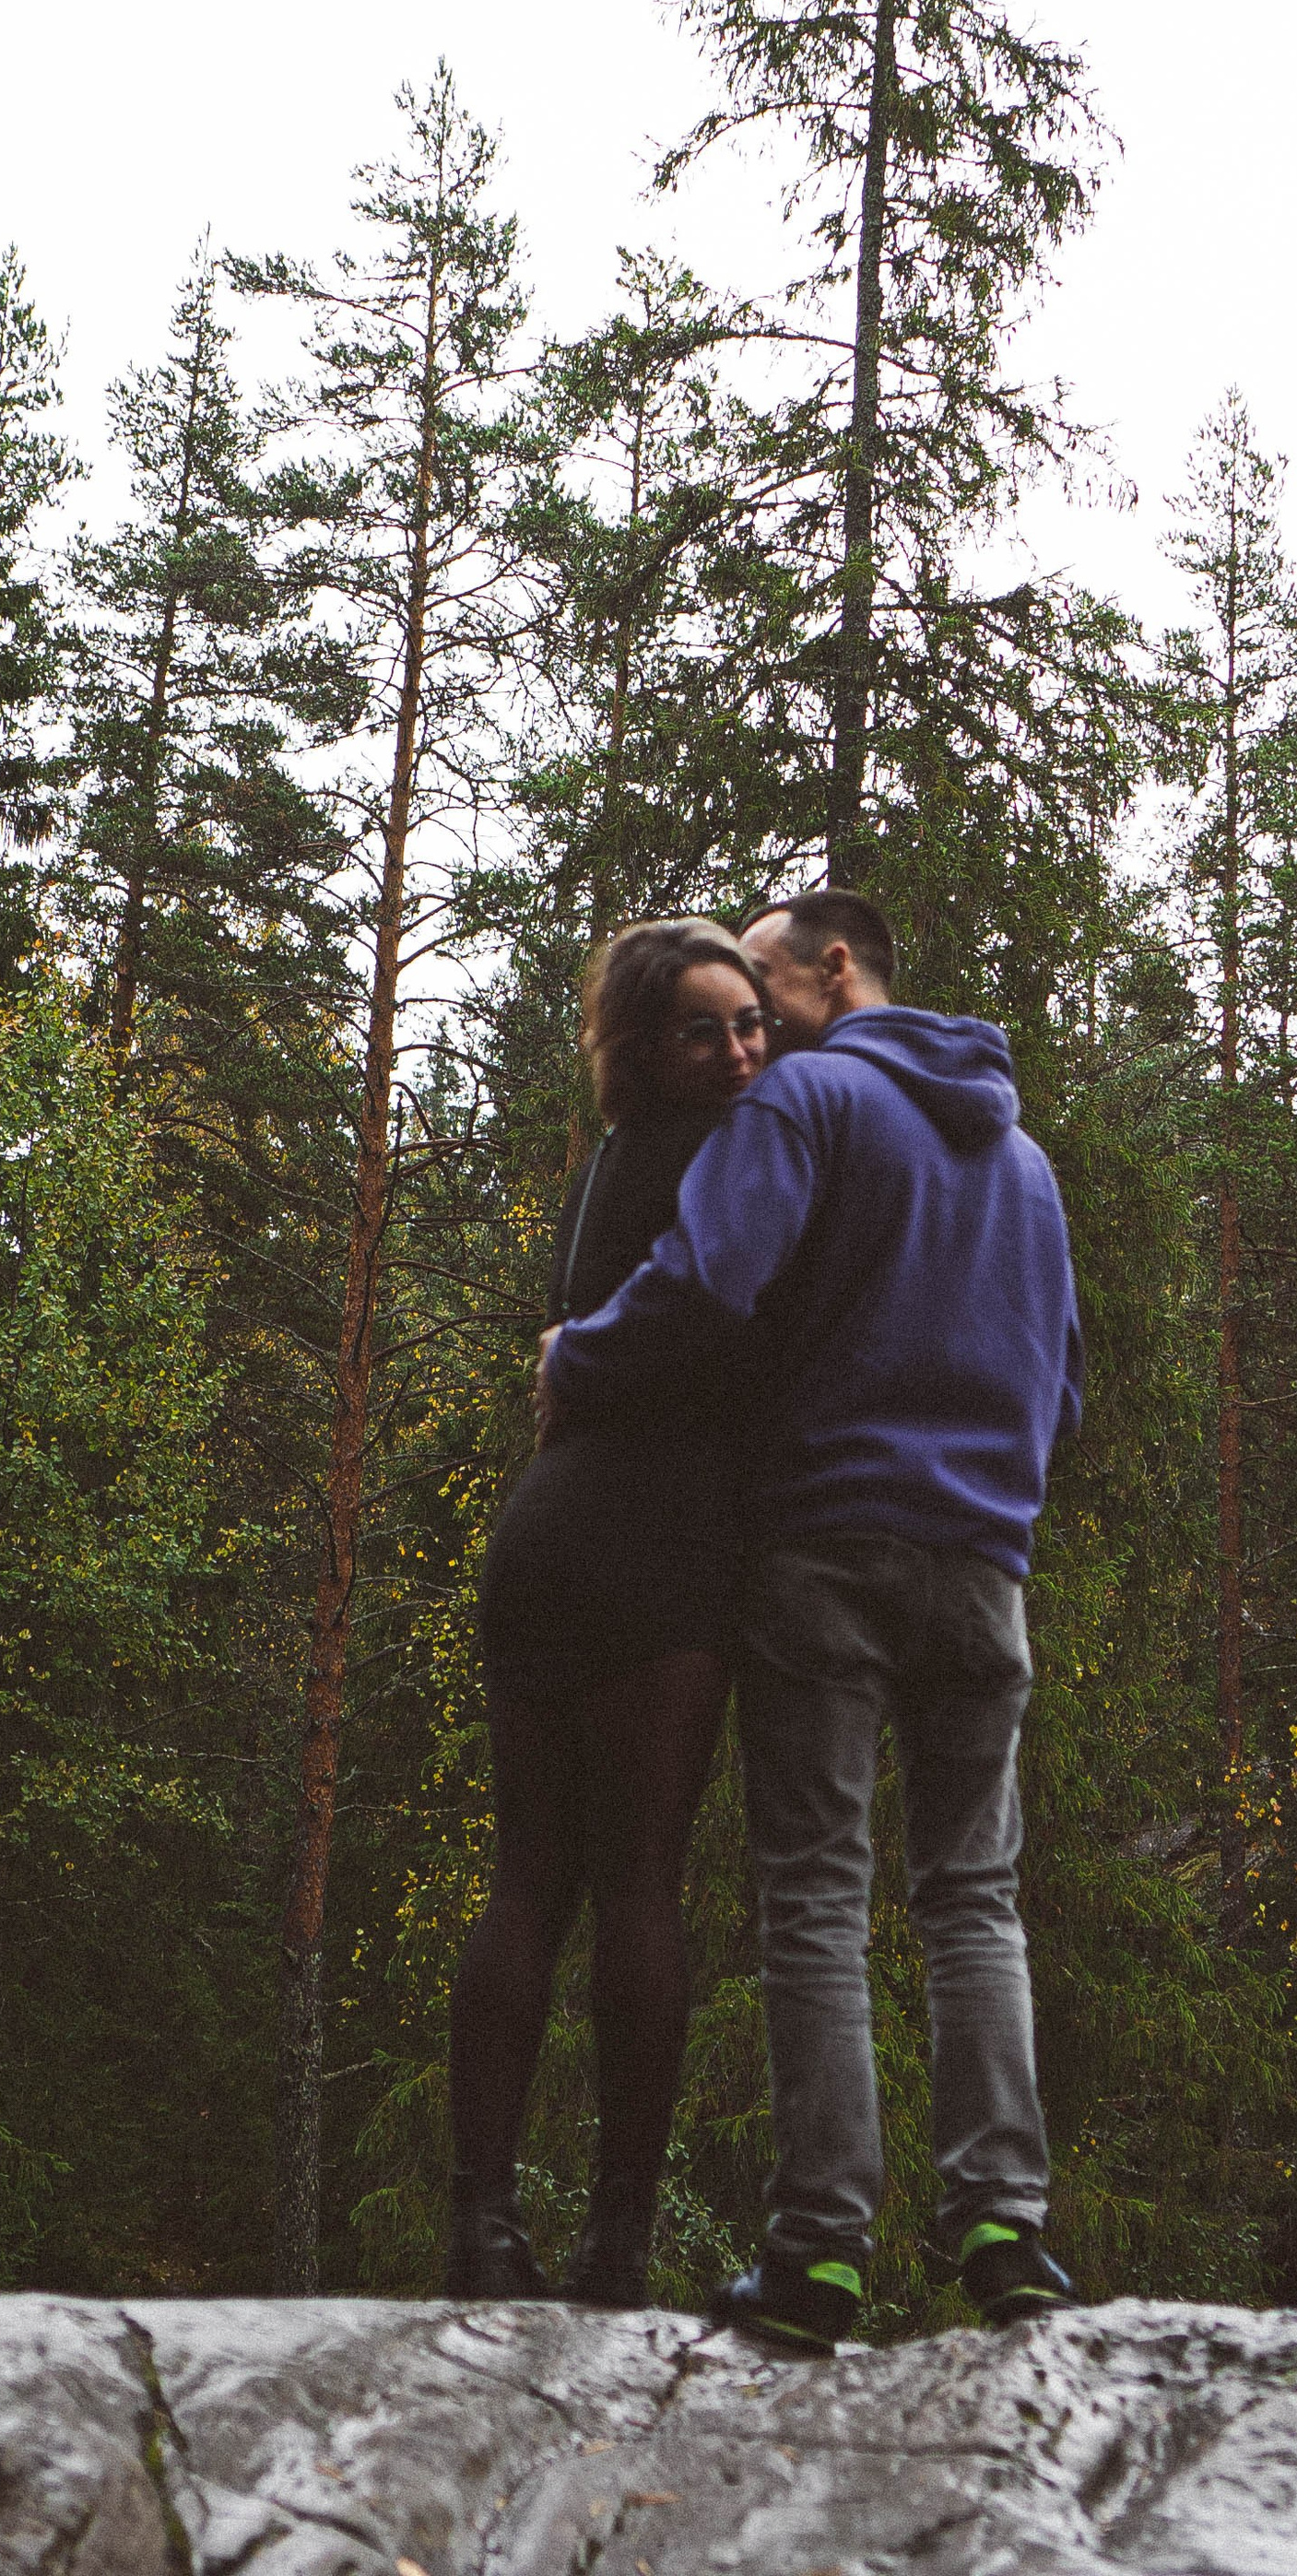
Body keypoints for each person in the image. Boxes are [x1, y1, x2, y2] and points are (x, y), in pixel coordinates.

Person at [538, 887, 1083, 2352]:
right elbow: (1062, 1382)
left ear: (832, 969)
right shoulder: (1023, 1157)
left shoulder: (810, 1104)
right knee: (973, 1895)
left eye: (763, 984)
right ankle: (1003, 2233)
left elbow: (706, 1281)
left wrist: (572, 1358)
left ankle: (818, 2256)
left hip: (828, 1550)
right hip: (985, 1564)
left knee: (819, 1900)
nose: (749, 1026)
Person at [446, 917, 771, 2307]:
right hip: (653, 1541)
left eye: (753, 1021)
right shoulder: (728, 1161)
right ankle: (615, 2247)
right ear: (650, 1048)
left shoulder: (609, 1167)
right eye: (708, 1030)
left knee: (530, 1877)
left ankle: (479, 2227)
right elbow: (729, 1318)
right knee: (636, 1877)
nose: (744, 1050)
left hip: (546, 1527)